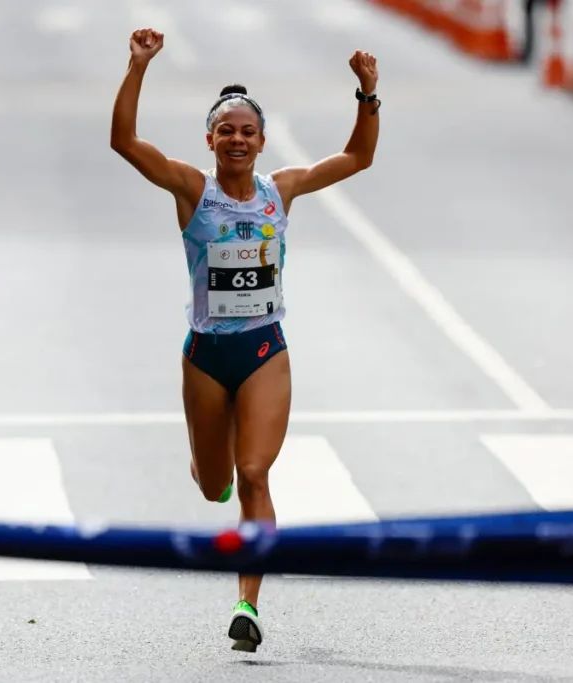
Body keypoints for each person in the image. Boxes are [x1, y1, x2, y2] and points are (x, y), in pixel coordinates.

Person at [110, 27, 380, 653]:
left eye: (247, 131)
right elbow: (123, 141)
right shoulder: (189, 189)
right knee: (214, 482)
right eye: (226, 130)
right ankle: (214, 463)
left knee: (255, 473)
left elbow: (356, 159)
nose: (237, 139)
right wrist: (137, 67)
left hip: (264, 350)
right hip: (206, 356)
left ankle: (247, 605)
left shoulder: (279, 191)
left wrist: (367, 95)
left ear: (262, 142)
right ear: (210, 140)